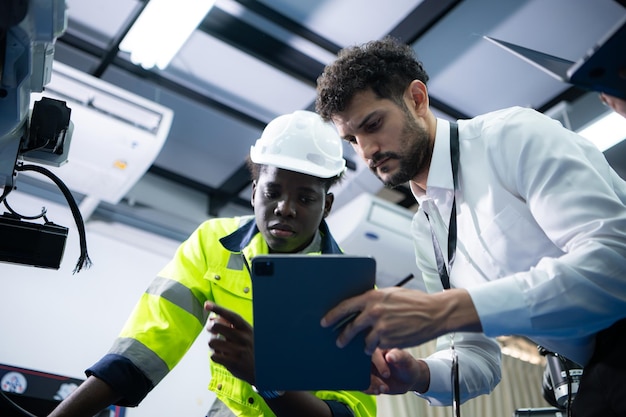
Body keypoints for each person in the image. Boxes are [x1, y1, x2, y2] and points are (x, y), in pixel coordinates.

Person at [315, 37, 626, 416]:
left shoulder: (511, 136)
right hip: (594, 369)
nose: (365, 152)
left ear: (416, 99)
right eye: (351, 139)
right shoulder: (426, 231)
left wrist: (443, 311)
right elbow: (476, 354)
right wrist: (419, 374)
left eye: (373, 124)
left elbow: (616, 265)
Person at [47, 110, 376, 417]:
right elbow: (147, 344)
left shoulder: (352, 290)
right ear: (253, 192)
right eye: (272, 192)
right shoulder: (214, 243)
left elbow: (349, 409)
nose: (285, 208)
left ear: (327, 204)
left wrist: (267, 379)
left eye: (305, 198)